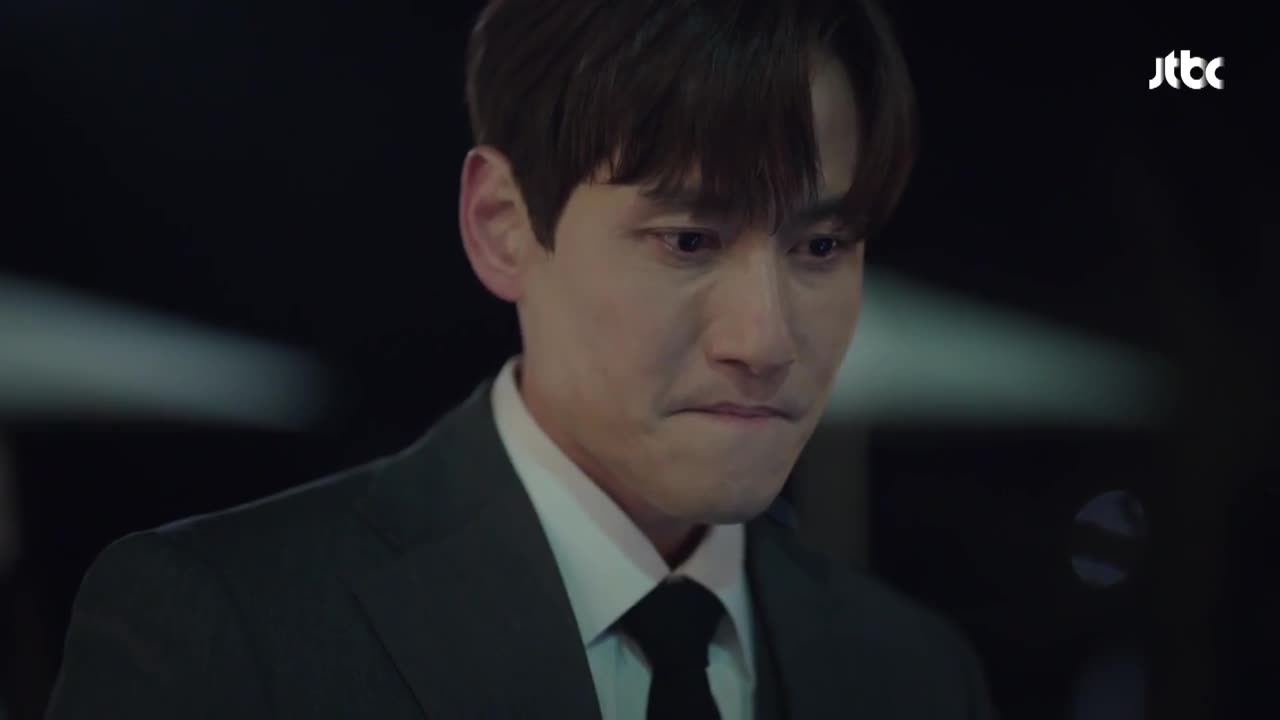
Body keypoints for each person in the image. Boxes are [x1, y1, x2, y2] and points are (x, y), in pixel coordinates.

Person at [47, 0, 996, 718]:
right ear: (502, 226)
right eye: (688, 241)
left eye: (821, 247)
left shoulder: (915, 674)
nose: (766, 341)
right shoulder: (235, 630)